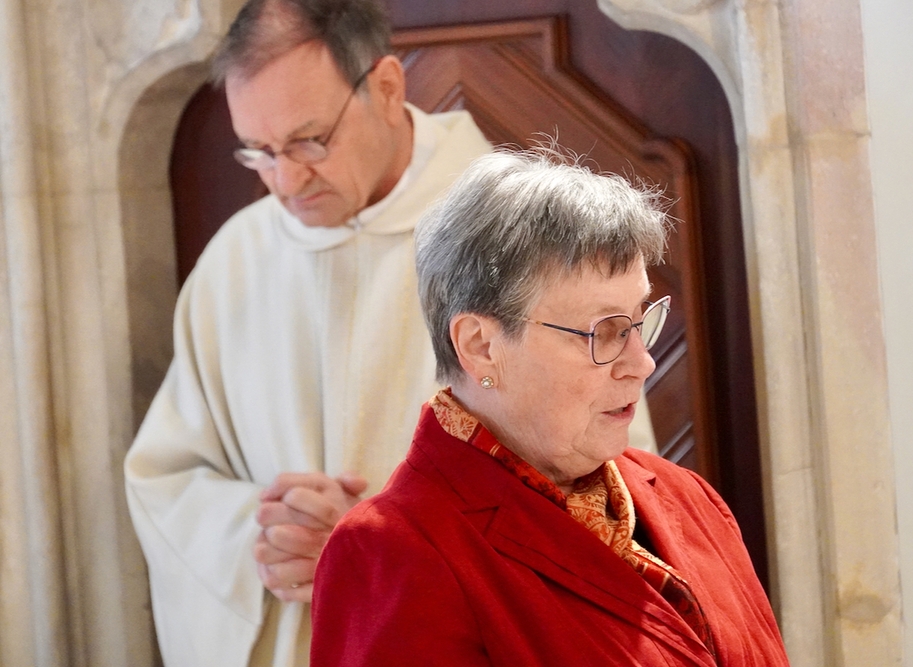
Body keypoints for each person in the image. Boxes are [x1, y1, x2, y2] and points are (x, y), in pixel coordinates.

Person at [310, 148, 790, 666]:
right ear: (480, 346)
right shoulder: (394, 551)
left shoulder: (688, 497)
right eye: (604, 331)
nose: (643, 362)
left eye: (638, 321)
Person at [122, 1, 496, 666]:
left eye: (310, 140)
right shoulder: (234, 262)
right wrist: (265, 535)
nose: (286, 180)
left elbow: (599, 489)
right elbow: (168, 479)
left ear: (387, 87)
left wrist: (379, 546)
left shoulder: (516, 242)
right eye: (260, 152)